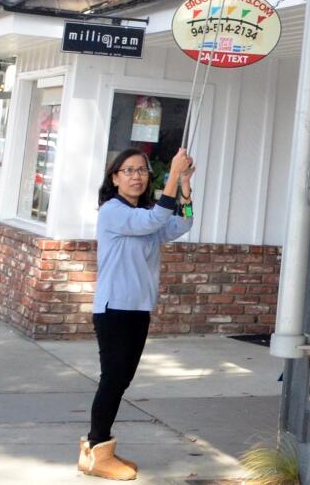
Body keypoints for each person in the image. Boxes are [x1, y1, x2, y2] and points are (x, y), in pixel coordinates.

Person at [79, 146, 195, 481]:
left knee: (121, 380)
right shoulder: (113, 211)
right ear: (114, 178)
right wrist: (172, 175)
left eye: (142, 170)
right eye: (128, 170)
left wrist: (184, 184)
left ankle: (98, 451)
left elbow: (180, 223)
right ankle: (97, 450)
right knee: (112, 380)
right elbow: (156, 218)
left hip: (138, 309)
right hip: (114, 309)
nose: (136, 176)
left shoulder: (144, 215)